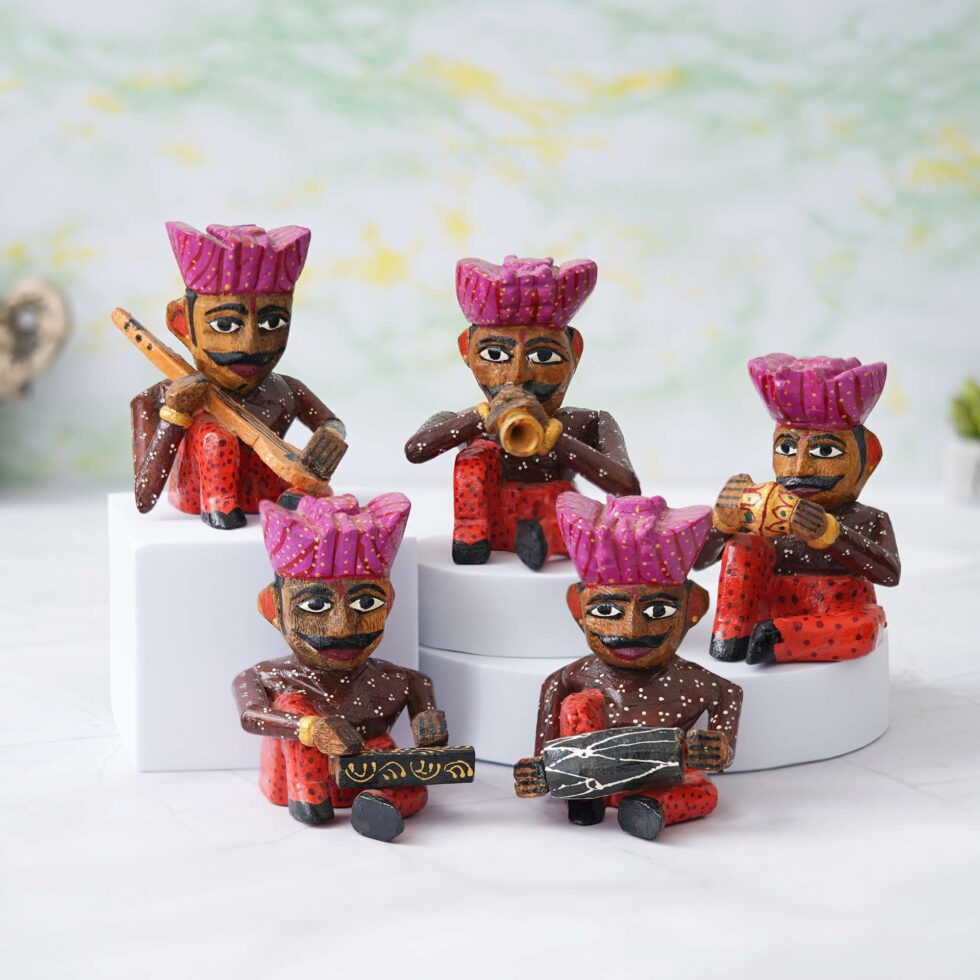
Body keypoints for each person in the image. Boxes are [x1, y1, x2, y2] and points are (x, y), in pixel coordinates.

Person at [515, 492, 743, 841]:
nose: (632, 630)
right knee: (578, 705)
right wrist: (541, 769)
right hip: (592, 778)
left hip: (665, 781)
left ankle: (647, 808)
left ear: (693, 608)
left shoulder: (698, 682)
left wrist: (718, 748)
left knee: (703, 792)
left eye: (658, 611)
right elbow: (546, 747)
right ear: (578, 609)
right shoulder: (573, 677)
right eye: (607, 611)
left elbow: (729, 697)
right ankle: (584, 797)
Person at [233, 492, 448, 842]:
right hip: (289, 777)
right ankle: (309, 791)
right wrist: (309, 729)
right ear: (272, 607)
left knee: (411, 784)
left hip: (365, 775)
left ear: (389, 603)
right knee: (292, 704)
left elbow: (426, 717)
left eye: (366, 603)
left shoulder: (401, 680)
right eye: (315, 606)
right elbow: (250, 715)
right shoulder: (266, 677)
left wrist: (429, 727)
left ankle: (376, 803)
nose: (341, 628)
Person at [405, 255, 639, 570]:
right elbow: (416, 450)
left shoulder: (587, 422)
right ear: (466, 350)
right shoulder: (468, 420)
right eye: (495, 355)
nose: (517, 376)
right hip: (487, 518)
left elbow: (626, 486)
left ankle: (545, 536)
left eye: (544, 356)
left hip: (558, 515)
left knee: (580, 513)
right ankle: (473, 538)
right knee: (474, 461)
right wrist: (480, 419)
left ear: (575, 352)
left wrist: (552, 437)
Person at [131, 222, 346, 528]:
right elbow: (144, 496)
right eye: (225, 325)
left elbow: (330, 422)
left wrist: (330, 437)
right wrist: (174, 415)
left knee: (319, 489)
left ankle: (295, 500)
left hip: (274, 491)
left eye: (272, 323)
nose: (250, 346)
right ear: (183, 325)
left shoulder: (286, 389)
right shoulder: (162, 396)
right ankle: (218, 502)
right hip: (195, 497)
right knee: (214, 437)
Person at [697, 353, 900, 665]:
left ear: (868, 459)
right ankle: (731, 637)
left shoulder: (870, 518)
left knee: (863, 629)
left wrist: (830, 533)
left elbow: (889, 573)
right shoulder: (764, 509)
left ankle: (777, 640)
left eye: (825, 451)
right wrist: (722, 524)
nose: (799, 468)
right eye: (787, 448)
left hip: (839, 613)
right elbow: (700, 562)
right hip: (766, 604)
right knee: (743, 545)